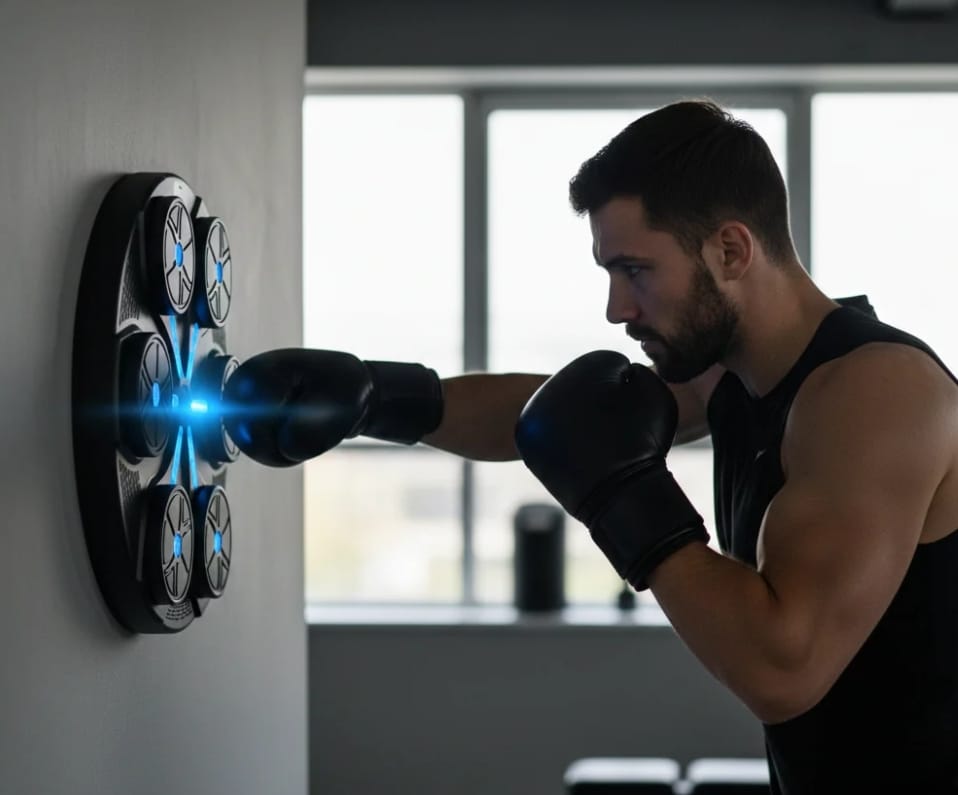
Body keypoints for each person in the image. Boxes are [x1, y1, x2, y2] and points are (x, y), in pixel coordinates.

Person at [223, 100, 958, 793]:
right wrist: (377, 398)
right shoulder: (736, 378)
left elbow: (781, 668)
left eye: (635, 270)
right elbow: (556, 412)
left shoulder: (876, 394)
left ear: (731, 249)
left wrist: (623, 498)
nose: (617, 307)